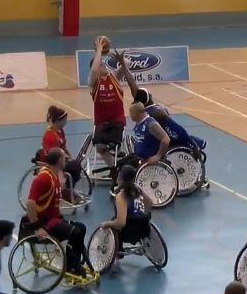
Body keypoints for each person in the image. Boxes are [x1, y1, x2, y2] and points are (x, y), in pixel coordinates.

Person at [24, 148, 89, 277]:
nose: (66, 161)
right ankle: (71, 267)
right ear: (59, 161)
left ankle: (73, 262)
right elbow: (30, 204)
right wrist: (37, 228)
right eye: (64, 159)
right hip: (43, 223)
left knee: (81, 227)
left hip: (53, 219)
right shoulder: (43, 178)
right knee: (75, 233)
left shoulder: (55, 176)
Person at [132, 86, 207, 157]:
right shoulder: (158, 112)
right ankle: (196, 142)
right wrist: (193, 145)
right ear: (150, 96)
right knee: (184, 138)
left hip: (150, 143)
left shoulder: (143, 113)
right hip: (158, 144)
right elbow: (178, 130)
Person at [88, 37, 126, 168]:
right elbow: (93, 70)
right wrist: (99, 50)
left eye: (104, 64)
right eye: (100, 64)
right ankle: (113, 168)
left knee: (114, 144)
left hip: (117, 122)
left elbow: (127, 63)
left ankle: (118, 151)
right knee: (99, 146)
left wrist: (111, 54)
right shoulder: (94, 83)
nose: (103, 65)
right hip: (101, 123)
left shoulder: (114, 77)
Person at [34, 106, 83, 200]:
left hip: (60, 158)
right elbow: (54, 155)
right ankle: (63, 191)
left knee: (76, 165)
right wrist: (65, 159)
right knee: (72, 167)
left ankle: (67, 190)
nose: (66, 123)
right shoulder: (50, 135)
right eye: (64, 121)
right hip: (51, 161)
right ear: (57, 121)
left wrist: (70, 157)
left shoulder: (60, 131)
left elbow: (63, 148)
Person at [101, 165, 154, 243]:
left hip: (129, 233)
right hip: (144, 228)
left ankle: (118, 252)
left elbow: (121, 223)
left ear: (120, 178)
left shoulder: (121, 196)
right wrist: (140, 214)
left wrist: (106, 224)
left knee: (113, 221)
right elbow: (150, 203)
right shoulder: (137, 189)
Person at [115, 102, 170, 175]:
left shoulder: (151, 124)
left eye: (131, 113)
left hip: (148, 160)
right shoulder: (139, 123)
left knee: (125, 170)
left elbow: (166, 139)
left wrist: (158, 156)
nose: (130, 115)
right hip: (139, 157)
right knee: (119, 164)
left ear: (137, 113)